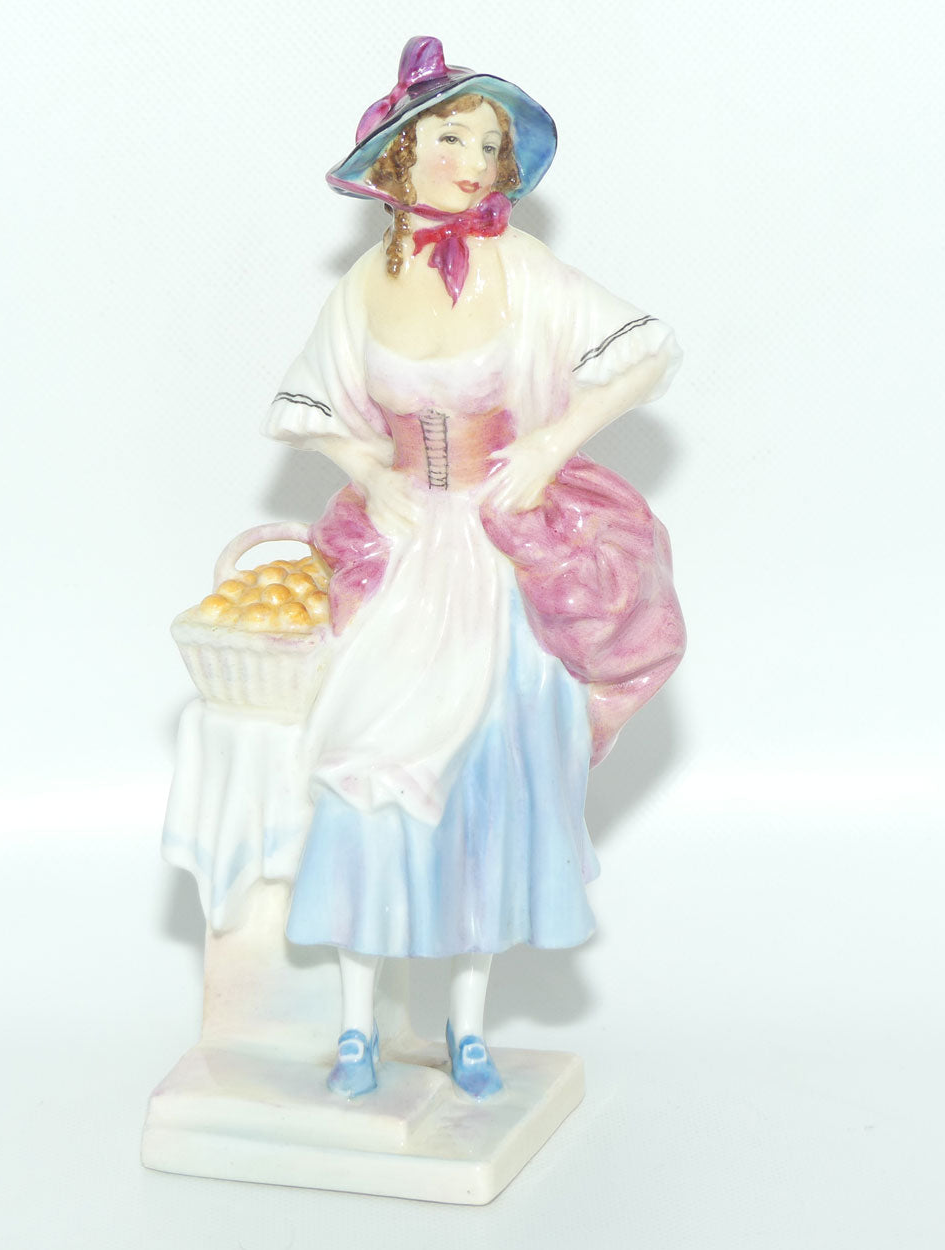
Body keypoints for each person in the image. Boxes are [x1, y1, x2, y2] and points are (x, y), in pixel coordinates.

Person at [264, 36, 685, 1100]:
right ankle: (355, 1024)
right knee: (366, 772)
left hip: (495, 549)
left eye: (490, 144)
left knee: (489, 781)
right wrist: (368, 467)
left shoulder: (518, 267)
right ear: (400, 154)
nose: (474, 160)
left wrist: (549, 444)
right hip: (405, 549)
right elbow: (307, 402)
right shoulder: (364, 283)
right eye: (451, 136)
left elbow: (646, 351)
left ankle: (466, 1025)